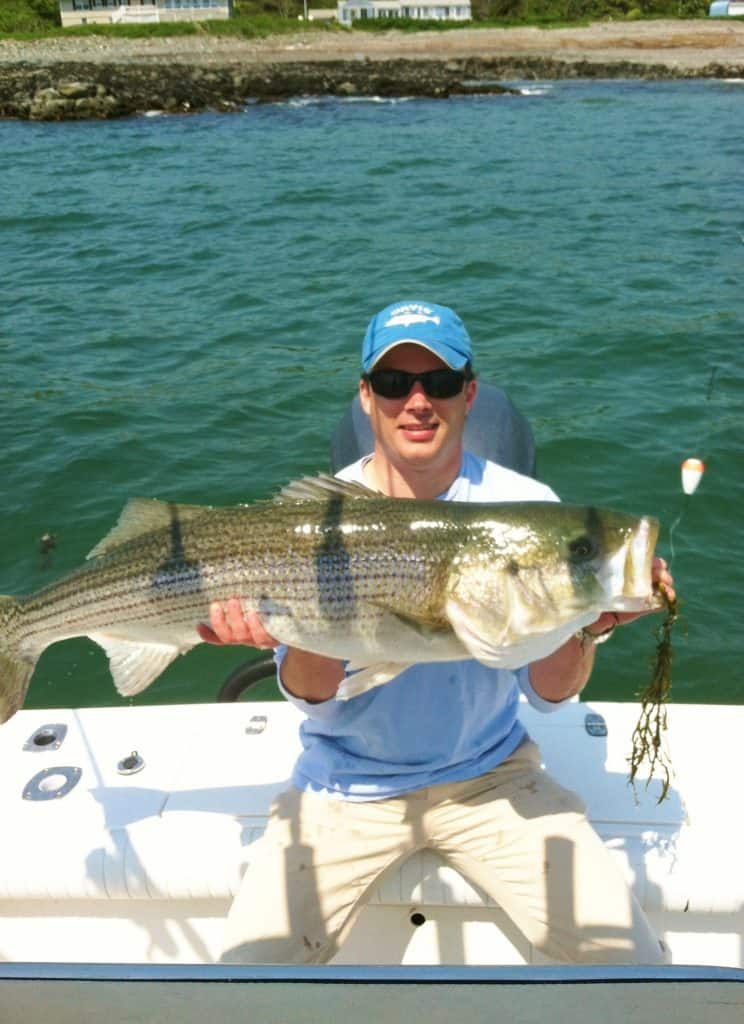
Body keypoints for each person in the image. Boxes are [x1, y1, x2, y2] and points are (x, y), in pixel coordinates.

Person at [198, 300, 675, 966]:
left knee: (633, 971)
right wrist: (303, 621)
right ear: (366, 397)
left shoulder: (527, 509)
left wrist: (585, 629)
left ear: (470, 394)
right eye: (395, 384)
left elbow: (550, 695)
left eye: (441, 383)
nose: (417, 402)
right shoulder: (319, 519)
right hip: (344, 786)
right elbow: (313, 698)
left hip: (492, 779)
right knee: (246, 980)